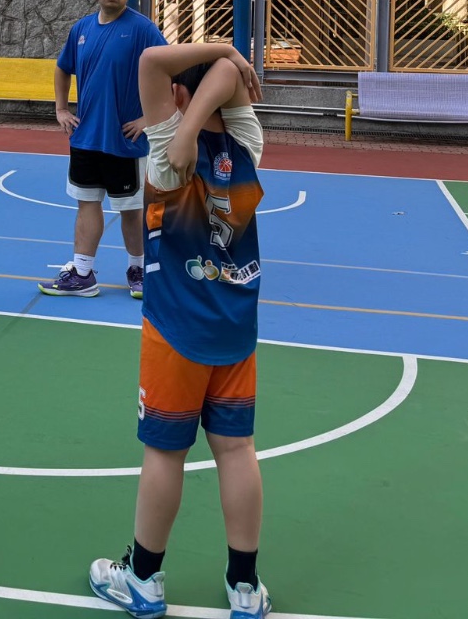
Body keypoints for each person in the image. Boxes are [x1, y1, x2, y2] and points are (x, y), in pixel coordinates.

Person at [89, 41, 269, 619]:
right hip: (236, 327)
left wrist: (188, 122)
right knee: (236, 450)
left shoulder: (169, 150)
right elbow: (224, 77)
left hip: (174, 330)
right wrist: (230, 59)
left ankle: (143, 579)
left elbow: (149, 61)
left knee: (165, 455)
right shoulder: (247, 145)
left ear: (176, 95)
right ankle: (245, 587)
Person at [41, 0, 166, 300]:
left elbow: (170, 72)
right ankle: (83, 273)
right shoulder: (81, 29)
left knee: (131, 209)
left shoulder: (143, 30)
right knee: (87, 204)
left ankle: (139, 270)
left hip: (125, 141)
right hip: (85, 137)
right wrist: (61, 109)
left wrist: (148, 118)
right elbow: (62, 68)